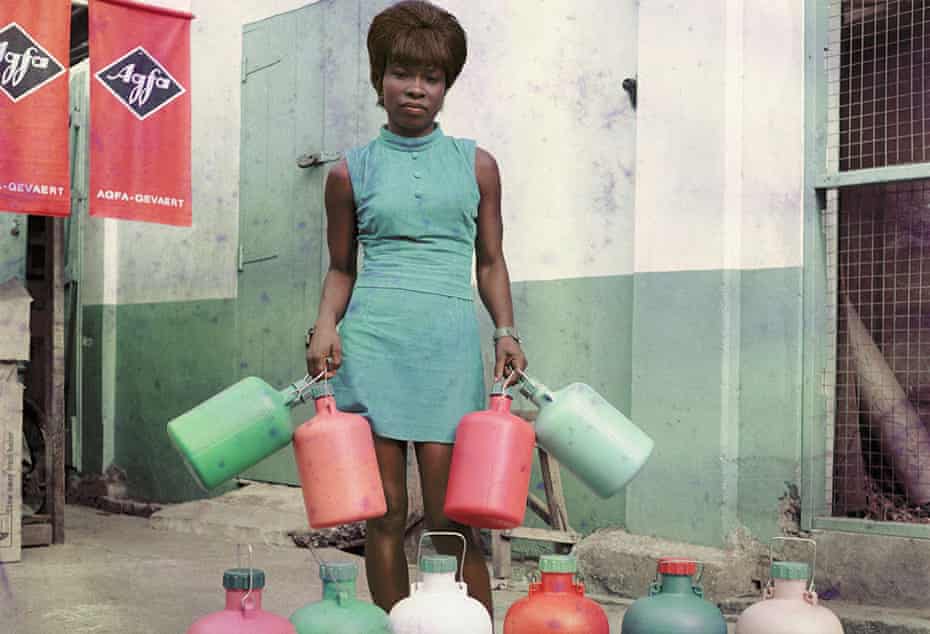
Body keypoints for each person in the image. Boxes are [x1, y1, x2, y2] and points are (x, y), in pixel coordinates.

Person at [305, 0, 527, 617]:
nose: (416, 89)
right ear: (379, 79)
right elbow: (343, 268)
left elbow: (490, 261)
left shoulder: (477, 165)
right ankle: (393, 628)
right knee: (383, 514)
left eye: (432, 78)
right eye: (403, 74)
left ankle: (468, 629)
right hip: (373, 347)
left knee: (452, 517)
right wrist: (326, 325)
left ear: (447, 87)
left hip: (448, 349)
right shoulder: (350, 173)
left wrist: (505, 330)